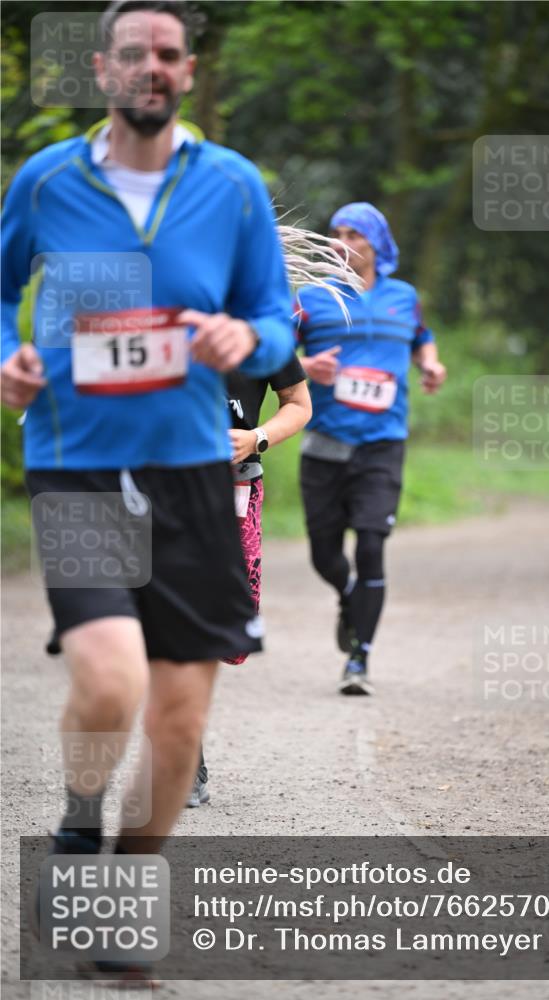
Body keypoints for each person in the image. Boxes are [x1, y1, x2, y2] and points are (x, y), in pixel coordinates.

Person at [1, 0, 294, 982]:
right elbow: (0, 295)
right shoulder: (46, 182)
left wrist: (249, 339)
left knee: (177, 722)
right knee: (111, 679)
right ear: (104, 68)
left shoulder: (233, 187)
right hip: (77, 458)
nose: (152, 67)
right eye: (136, 52)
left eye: (170, 53)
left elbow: (275, 321)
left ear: (189, 73)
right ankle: (80, 829)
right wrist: (8, 353)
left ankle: (124, 886)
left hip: (195, 474)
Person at [296, 202, 446, 695]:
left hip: (383, 443)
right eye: (336, 233)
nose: (343, 242)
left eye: (355, 235)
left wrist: (430, 363)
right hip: (324, 443)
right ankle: (347, 595)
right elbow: (275, 351)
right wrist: (304, 364)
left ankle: (360, 659)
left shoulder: (404, 297)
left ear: (378, 244)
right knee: (324, 555)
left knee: (373, 546)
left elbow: (422, 338)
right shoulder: (314, 297)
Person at [188, 354, 311, 807]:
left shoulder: (265, 330)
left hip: (236, 489)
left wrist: (256, 437)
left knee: (227, 631)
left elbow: (298, 403)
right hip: (162, 487)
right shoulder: (158, 314)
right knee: (181, 618)